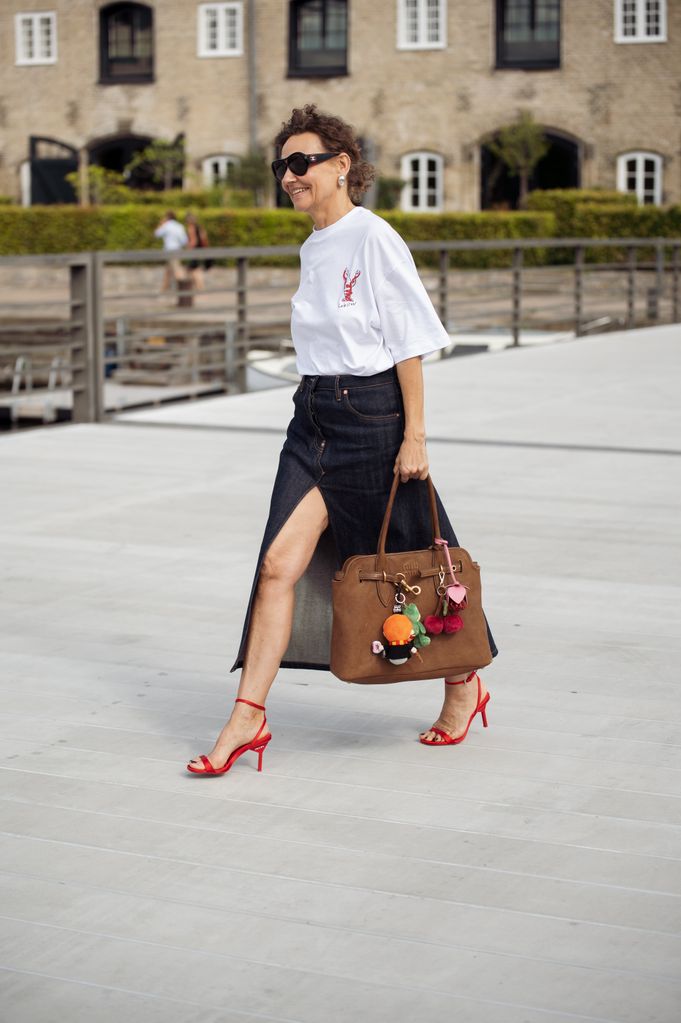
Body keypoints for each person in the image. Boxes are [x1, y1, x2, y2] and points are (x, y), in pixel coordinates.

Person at [187, 104, 497, 777]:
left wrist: (414, 436)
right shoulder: (313, 245)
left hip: (374, 419)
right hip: (313, 417)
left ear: (341, 166)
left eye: (301, 163)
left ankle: (461, 685)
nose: (289, 176)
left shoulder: (371, 236)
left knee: (416, 565)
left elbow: (409, 341)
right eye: (282, 166)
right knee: (277, 566)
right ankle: (249, 716)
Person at [154, 211, 188, 293]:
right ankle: (165, 288)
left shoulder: (166, 225)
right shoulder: (180, 226)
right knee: (169, 269)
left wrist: (161, 223)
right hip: (178, 250)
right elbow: (184, 241)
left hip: (169, 250)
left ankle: (184, 289)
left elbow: (156, 234)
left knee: (177, 270)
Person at [185, 212, 211, 292]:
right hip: (201, 250)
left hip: (194, 251)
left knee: (193, 270)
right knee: (194, 269)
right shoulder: (199, 227)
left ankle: (200, 287)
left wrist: (188, 248)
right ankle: (196, 287)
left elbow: (194, 241)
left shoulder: (191, 228)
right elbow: (204, 237)